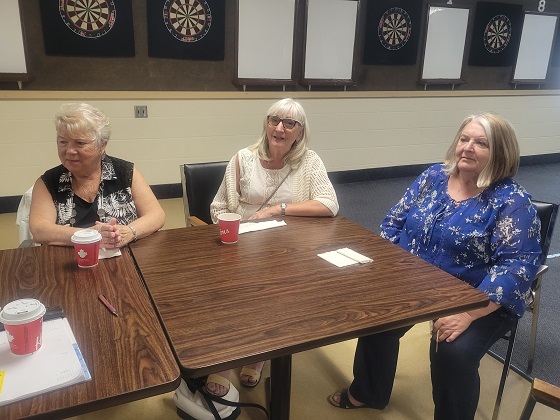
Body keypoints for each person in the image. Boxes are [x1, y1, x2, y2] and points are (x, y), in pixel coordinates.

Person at [328, 113, 542, 419]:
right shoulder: (434, 177)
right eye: (464, 139)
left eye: (481, 143)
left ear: (500, 152)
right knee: (374, 317)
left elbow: (517, 266)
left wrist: (468, 311)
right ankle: (369, 391)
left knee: (451, 353)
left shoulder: (512, 202)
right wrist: (385, 269)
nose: (468, 147)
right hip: (412, 279)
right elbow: (394, 220)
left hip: (476, 296)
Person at [207, 98, 339, 396]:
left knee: (277, 290)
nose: (279, 128)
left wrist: (275, 210)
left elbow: (329, 204)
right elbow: (217, 207)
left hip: (287, 248)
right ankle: (228, 357)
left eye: (289, 123)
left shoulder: (310, 161)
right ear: (266, 125)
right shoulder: (242, 158)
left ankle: (261, 353)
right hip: (241, 244)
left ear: (300, 132)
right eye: (274, 120)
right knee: (236, 289)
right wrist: (234, 227)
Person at [29, 102, 165, 248]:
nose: (69, 150)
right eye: (63, 142)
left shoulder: (125, 172)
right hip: (71, 263)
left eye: (79, 143)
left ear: (102, 145)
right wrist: (89, 235)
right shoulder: (48, 182)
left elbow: (156, 215)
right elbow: (39, 230)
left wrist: (129, 232)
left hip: (127, 260)